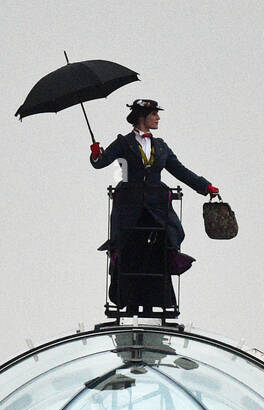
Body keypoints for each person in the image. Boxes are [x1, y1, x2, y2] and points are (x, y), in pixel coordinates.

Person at [89, 99, 219, 301]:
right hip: (130, 205)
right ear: (142, 117)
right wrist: (97, 154)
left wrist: (204, 186)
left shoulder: (161, 146)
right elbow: (101, 163)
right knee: (130, 248)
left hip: (156, 204)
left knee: (164, 241)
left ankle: (160, 295)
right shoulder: (124, 143)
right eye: (154, 115)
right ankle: (127, 296)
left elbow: (179, 170)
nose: (158, 118)